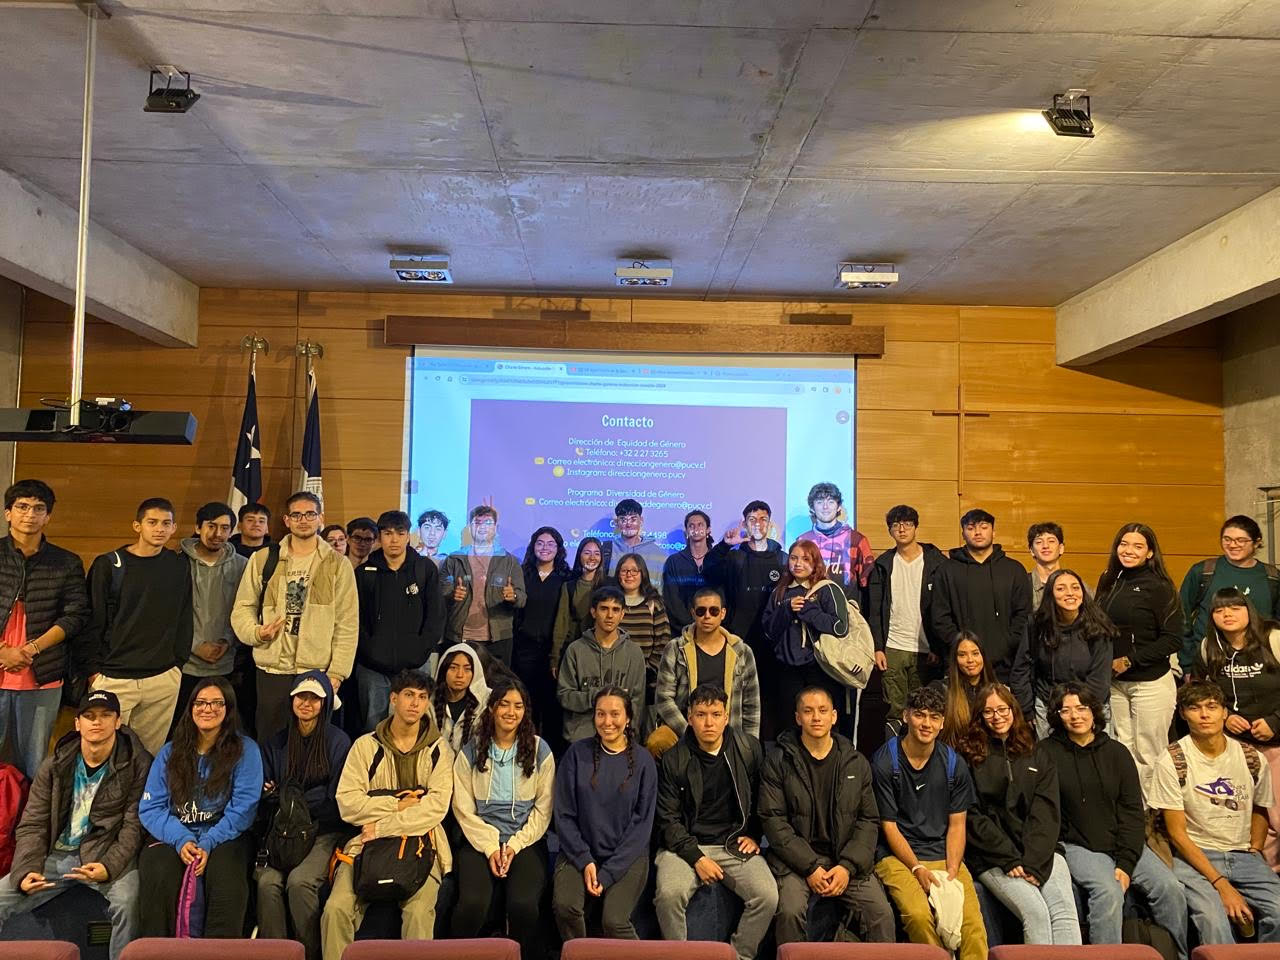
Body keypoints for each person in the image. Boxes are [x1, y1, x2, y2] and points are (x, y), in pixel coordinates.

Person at [1039, 682, 1189, 959]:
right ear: (1057, 716)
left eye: (1081, 708)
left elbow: (1132, 812)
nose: (1075, 716)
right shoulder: (1046, 753)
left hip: (1123, 843)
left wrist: (1126, 862)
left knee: (1171, 889)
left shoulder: (1117, 753)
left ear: (1093, 711)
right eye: (1066, 710)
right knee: (1109, 892)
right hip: (1077, 845)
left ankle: (1177, 955)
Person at [0, 690, 149, 960]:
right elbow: (33, 823)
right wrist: (26, 870)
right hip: (56, 855)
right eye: (89, 716)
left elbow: (133, 826)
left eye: (106, 715)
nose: (97, 722)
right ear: (77, 723)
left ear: (118, 722)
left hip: (106, 854)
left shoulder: (137, 764)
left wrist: (109, 867)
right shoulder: (55, 764)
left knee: (129, 902)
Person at [321, 669, 453, 960]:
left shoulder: (439, 749)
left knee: (419, 913)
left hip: (421, 843)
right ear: (393, 699)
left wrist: (382, 825)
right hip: (366, 845)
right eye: (408, 695)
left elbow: (436, 808)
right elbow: (348, 803)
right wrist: (398, 804)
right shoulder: (365, 745)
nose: (415, 703)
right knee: (335, 909)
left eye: (422, 697)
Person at [760, 685, 895, 944]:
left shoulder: (856, 762)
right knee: (789, 912)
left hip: (845, 860)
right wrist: (810, 867)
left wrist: (847, 867)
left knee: (880, 913)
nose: (816, 717)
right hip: (795, 864)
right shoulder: (778, 761)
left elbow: (868, 821)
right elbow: (773, 821)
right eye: (808, 711)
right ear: (797, 717)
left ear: (834, 716)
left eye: (823, 711)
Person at [1149, 680, 1280, 944]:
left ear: (1224, 712)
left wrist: (1255, 849)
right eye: (1195, 708)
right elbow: (1177, 833)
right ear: (1183, 714)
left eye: (1212, 707)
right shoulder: (1172, 760)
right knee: (1213, 921)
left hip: (1243, 855)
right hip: (1195, 856)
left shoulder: (1251, 758)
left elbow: (1259, 808)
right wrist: (1221, 884)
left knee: (1278, 912)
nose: (1204, 715)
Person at [654, 683, 777, 960]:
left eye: (715, 714)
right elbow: (668, 820)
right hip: (684, 846)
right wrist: (696, 857)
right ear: (689, 717)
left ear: (726, 717)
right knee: (669, 895)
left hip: (732, 844)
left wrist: (754, 833)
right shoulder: (674, 759)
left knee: (767, 896)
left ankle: (737, 956)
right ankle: (679, 957)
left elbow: (764, 800)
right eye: (701, 715)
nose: (708, 722)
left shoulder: (748, 749)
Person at [137, 676, 262, 938]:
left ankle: (218, 952)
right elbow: (151, 809)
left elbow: (244, 809)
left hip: (225, 834)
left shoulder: (246, 750)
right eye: (201, 702)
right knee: (158, 870)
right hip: (175, 832)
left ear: (228, 709)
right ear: (191, 707)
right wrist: (181, 838)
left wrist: (209, 842)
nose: (207, 709)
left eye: (217, 703)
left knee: (227, 874)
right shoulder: (170, 752)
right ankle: (159, 952)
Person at [231, 491, 358, 743]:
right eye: (297, 515)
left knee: (312, 743)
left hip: (316, 669)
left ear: (320, 518)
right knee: (270, 741)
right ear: (287, 520)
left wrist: (337, 673)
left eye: (310, 514)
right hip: (272, 668)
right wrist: (256, 633)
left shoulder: (337, 564)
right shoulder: (263, 558)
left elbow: (347, 623)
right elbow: (242, 608)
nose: (303, 520)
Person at [959, 682, 1081, 945]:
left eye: (1002, 709)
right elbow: (973, 817)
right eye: (989, 711)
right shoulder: (968, 756)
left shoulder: (1037, 751)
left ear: (1013, 710)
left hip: (1042, 852)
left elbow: (1047, 811)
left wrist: (1034, 861)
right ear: (980, 716)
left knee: (1064, 913)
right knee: (1036, 913)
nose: (997, 716)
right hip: (994, 857)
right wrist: (1010, 858)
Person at [871, 684, 986, 960]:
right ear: (906, 716)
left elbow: (957, 825)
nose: (927, 723)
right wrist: (917, 868)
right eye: (920, 715)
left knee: (972, 926)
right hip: (897, 857)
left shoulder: (953, 764)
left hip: (943, 853)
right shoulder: (886, 762)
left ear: (942, 722)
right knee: (918, 915)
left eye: (934, 717)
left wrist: (952, 870)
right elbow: (889, 826)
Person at [451, 677, 555, 958]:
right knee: (473, 904)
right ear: (492, 708)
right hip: (479, 839)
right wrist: (490, 847)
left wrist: (514, 846)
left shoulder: (540, 750)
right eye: (504, 704)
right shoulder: (471, 750)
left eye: (518, 706)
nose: (511, 712)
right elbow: (463, 810)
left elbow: (543, 810)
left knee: (523, 905)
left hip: (525, 840)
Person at [82, 497, 193, 755]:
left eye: (166, 523)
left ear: (174, 528)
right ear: (137, 526)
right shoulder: (109, 565)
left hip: (162, 677)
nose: (159, 529)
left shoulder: (178, 565)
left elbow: (185, 616)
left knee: (148, 755)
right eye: (152, 522)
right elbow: (91, 622)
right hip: (113, 677)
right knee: (102, 753)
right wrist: (93, 671)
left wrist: (177, 664)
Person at [256, 672, 352, 960]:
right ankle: (276, 956)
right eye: (301, 696)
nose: (306, 703)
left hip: (322, 831)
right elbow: (266, 795)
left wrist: (287, 795)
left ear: (325, 703)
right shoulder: (276, 743)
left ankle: (309, 954)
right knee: (267, 883)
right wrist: (302, 796)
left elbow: (335, 800)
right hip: (281, 832)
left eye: (314, 698)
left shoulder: (338, 742)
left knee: (299, 883)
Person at [0, 479, 89, 780]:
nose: (30, 514)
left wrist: (31, 649)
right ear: (8, 512)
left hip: (42, 677)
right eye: (22, 507)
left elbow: (75, 615)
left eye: (39, 508)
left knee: (35, 765)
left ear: (48, 516)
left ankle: (28, 813)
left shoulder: (66, 562)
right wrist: (3, 652)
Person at [552, 686, 657, 942]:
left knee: (614, 921)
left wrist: (608, 873)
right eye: (601, 714)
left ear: (628, 718)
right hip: (579, 851)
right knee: (566, 906)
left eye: (615, 714)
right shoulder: (576, 754)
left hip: (627, 855)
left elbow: (642, 826)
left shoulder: (644, 761)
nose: (607, 721)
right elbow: (563, 815)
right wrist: (584, 859)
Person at [1096, 522, 1183, 799]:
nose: (1128, 550)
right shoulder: (1108, 579)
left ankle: (1153, 812)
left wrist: (1130, 661)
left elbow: (1173, 639)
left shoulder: (1160, 587)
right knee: (1123, 749)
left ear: (1150, 552)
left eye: (1137, 546)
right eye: (1124, 544)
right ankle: (1132, 808)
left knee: (1150, 752)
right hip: (1115, 684)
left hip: (1151, 682)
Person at [1198, 586, 1280, 866]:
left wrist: (1275, 721)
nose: (1227, 614)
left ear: (1249, 610)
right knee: (1249, 813)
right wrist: (1227, 716)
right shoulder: (1209, 647)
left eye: (1235, 607)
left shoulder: (1273, 638)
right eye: (1220, 610)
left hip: (1275, 742)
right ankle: (1263, 873)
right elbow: (1206, 693)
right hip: (1238, 746)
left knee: (1277, 815)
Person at [353, 510, 444, 732]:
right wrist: (369, 650)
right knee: (373, 729)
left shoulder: (424, 569)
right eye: (387, 533)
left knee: (415, 726)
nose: (394, 539)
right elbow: (355, 619)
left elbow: (436, 616)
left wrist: (420, 650)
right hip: (373, 668)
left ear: (408, 537)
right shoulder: (364, 573)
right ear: (379, 537)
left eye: (400, 533)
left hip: (415, 665)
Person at [930, 509, 1032, 687]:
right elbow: (940, 617)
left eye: (984, 527)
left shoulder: (1014, 570)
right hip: (961, 665)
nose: (977, 532)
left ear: (993, 532)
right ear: (963, 534)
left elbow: (1023, 615)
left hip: (1005, 666)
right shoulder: (946, 570)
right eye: (971, 528)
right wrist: (963, 649)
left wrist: (1006, 645)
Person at [173, 502, 249, 736]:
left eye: (225, 528)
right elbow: (169, 614)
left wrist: (226, 642)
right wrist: (195, 645)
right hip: (184, 664)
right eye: (212, 526)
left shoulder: (243, 566)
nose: (218, 534)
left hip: (225, 662)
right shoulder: (176, 564)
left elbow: (246, 610)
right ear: (198, 527)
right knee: (182, 730)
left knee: (220, 730)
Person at [1011, 568, 1115, 735]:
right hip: (1048, 707)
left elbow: (1100, 679)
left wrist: (1077, 710)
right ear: (1050, 594)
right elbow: (1022, 668)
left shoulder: (1098, 625)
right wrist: (1026, 709)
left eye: (1075, 587)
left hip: (1089, 708)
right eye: (1061, 588)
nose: (1070, 593)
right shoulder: (1036, 624)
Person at [653, 586, 761, 748]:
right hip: (684, 727)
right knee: (658, 741)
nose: (707, 616)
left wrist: (751, 745)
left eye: (714, 611)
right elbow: (663, 699)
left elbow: (752, 705)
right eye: (701, 611)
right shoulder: (675, 649)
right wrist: (690, 732)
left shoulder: (742, 651)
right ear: (693, 613)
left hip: (728, 730)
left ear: (723, 613)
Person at [868, 504, 947, 721]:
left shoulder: (937, 562)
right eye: (896, 525)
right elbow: (875, 611)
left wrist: (938, 646)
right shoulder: (883, 565)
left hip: (926, 649)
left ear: (915, 527)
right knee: (894, 711)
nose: (902, 529)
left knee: (925, 710)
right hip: (893, 647)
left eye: (907, 524)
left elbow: (943, 608)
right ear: (890, 530)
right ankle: (895, 745)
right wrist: (878, 648)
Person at [763, 539, 849, 734]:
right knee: (789, 722)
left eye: (805, 559)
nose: (798, 563)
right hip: (787, 669)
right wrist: (786, 609)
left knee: (822, 723)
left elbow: (840, 627)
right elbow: (769, 630)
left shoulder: (827, 588)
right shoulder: (780, 591)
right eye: (793, 558)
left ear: (815, 562)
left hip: (821, 667)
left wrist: (809, 611)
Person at [1180, 516, 1280, 676]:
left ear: (1256, 542)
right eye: (1227, 539)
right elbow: (1181, 617)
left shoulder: (1272, 577)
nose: (1233, 545)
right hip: (1210, 660)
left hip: (1260, 663)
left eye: (1241, 540)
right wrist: (1187, 664)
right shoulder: (1203, 572)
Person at [558, 586, 647, 743]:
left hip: (621, 737)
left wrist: (629, 734)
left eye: (615, 609)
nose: (610, 615)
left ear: (622, 614)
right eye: (604, 609)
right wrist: (597, 697)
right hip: (581, 737)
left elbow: (637, 702)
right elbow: (564, 696)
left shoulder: (634, 653)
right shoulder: (575, 650)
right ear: (593, 612)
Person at [442, 505, 527, 666]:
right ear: (470, 527)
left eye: (488, 523)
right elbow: (440, 592)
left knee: (497, 682)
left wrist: (513, 596)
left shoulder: (509, 561)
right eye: (477, 522)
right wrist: (452, 594)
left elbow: (522, 598)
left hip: (498, 639)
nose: (482, 527)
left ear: (496, 528)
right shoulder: (454, 559)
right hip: (459, 636)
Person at [709, 500, 788, 658]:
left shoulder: (783, 559)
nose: (758, 524)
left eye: (763, 519)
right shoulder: (734, 557)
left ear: (770, 524)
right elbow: (709, 571)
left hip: (772, 640)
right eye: (752, 519)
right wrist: (724, 545)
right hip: (738, 638)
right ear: (744, 524)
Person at [514, 526, 569, 733]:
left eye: (551, 544)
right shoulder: (522, 574)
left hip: (554, 653)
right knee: (527, 704)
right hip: (524, 651)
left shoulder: (566, 577)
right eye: (540, 543)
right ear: (533, 546)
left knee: (552, 708)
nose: (545, 548)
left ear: (559, 548)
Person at [797, 481, 874, 602]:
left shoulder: (856, 540)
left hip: (846, 609)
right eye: (820, 502)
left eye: (831, 502)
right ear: (812, 508)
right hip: (811, 609)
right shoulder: (802, 541)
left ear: (839, 507)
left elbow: (868, 583)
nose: (825, 507)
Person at [615, 553, 671, 710]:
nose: (629, 575)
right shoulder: (611, 603)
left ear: (643, 574)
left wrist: (648, 670)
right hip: (613, 676)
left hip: (646, 680)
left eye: (634, 570)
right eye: (624, 570)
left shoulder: (653, 604)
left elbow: (663, 642)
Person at [552, 537, 607, 677]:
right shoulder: (569, 586)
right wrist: (555, 656)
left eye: (596, 553)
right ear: (579, 556)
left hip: (602, 650)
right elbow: (561, 623)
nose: (592, 557)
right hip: (574, 649)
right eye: (587, 553)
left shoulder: (609, 585)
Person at [940, 632, 995, 749]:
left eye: (975, 653)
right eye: (962, 655)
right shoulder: (941, 689)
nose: (970, 660)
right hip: (954, 755)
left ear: (983, 656)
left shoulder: (996, 691)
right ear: (955, 659)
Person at [433, 643, 491, 752]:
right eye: (453, 668)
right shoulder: (428, 701)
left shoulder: (487, 701)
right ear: (444, 670)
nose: (460, 675)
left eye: (467, 669)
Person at [664, 510, 715, 632]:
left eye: (700, 525)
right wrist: (690, 626)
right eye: (691, 526)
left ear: (708, 530)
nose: (696, 529)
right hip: (682, 630)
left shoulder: (718, 559)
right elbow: (672, 599)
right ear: (686, 532)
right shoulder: (674, 561)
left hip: (714, 627)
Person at [602, 498, 669, 591]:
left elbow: (662, 590)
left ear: (641, 520)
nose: (628, 524)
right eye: (623, 519)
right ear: (617, 523)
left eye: (633, 519)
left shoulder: (659, 554)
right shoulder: (607, 550)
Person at [1027, 522, 1091, 610]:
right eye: (1039, 542)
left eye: (1051, 541)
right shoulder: (1023, 584)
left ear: (1061, 548)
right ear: (1032, 551)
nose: (1045, 546)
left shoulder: (1077, 584)